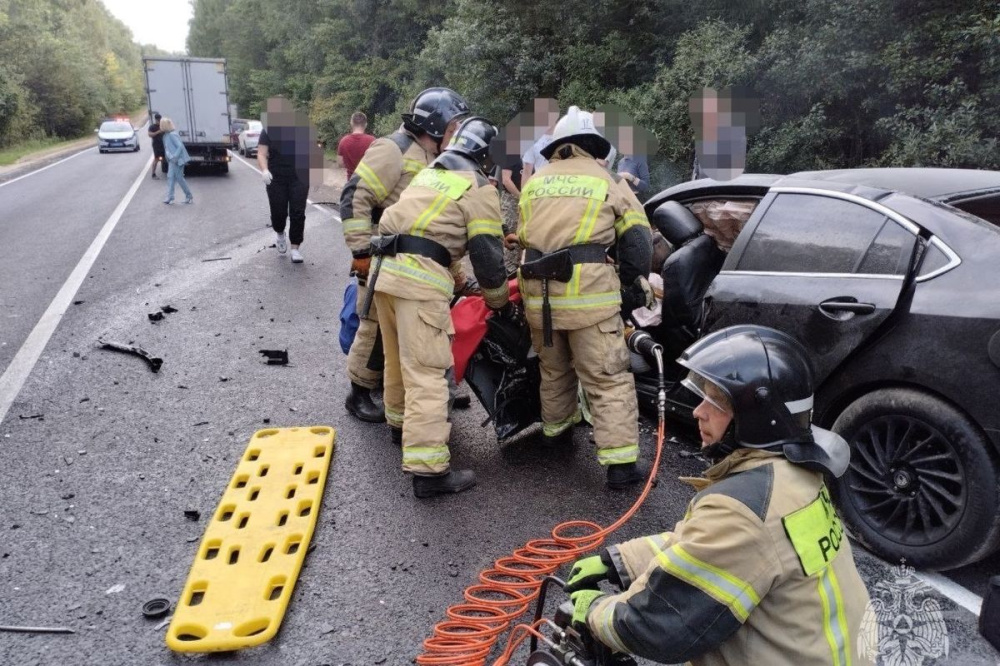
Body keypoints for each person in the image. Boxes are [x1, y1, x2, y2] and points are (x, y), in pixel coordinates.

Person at [565, 325, 873, 666]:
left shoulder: (743, 510)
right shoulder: (795, 476)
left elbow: (659, 625)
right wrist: (619, 561)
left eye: (717, 402)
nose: (698, 411)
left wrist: (594, 612)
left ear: (757, 418)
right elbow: (712, 548)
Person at [371, 117, 510, 497]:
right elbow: (487, 255)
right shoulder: (479, 187)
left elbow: (428, 232)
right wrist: (497, 303)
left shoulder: (432, 173)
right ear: (487, 158)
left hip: (384, 272)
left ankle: (401, 428)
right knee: (429, 372)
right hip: (418, 281)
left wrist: (460, 282)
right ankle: (429, 471)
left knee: (400, 359)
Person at [517, 106, 653, 489]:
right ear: (596, 146)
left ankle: (555, 435)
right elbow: (639, 240)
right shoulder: (607, 181)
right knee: (607, 377)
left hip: (538, 299)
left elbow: (524, 237)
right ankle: (621, 465)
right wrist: (630, 287)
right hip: (590, 300)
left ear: (559, 146)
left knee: (554, 370)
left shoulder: (536, 183)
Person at [340, 87, 470, 423]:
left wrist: (458, 275)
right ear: (437, 124)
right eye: (454, 125)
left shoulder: (434, 157)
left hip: (418, 257)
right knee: (374, 326)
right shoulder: (393, 149)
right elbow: (356, 196)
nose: (457, 132)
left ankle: (426, 393)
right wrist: (361, 251)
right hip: (384, 255)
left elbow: (433, 223)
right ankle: (360, 391)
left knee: (417, 331)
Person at [258, 97, 316, 264]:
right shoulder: (268, 131)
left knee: (298, 212)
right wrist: (264, 170)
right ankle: (280, 233)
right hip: (276, 178)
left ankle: (295, 248)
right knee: (279, 212)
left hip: (298, 177)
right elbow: (262, 153)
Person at [160, 117, 192, 204]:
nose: (160, 126)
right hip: (172, 160)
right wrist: (170, 158)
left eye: (161, 125)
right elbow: (167, 148)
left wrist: (175, 157)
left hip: (177, 160)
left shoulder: (172, 135)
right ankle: (170, 197)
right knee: (170, 177)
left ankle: (188, 196)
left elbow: (180, 146)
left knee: (179, 178)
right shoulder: (166, 135)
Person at [337, 111, 376, 180]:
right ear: (366, 124)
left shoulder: (343, 141)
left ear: (351, 123)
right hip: (367, 182)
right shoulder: (373, 141)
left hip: (351, 182)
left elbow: (340, 163)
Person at [148, 112, 168, 179]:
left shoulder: (162, 126)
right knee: (156, 159)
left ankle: (169, 172)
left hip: (164, 145)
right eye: (158, 120)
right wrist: (158, 132)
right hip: (156, 145)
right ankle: (153, 174)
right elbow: (150, 135)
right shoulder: (152, 127)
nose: (159, 121)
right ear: (156, 120)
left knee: (166, 159)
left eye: (160, 120)